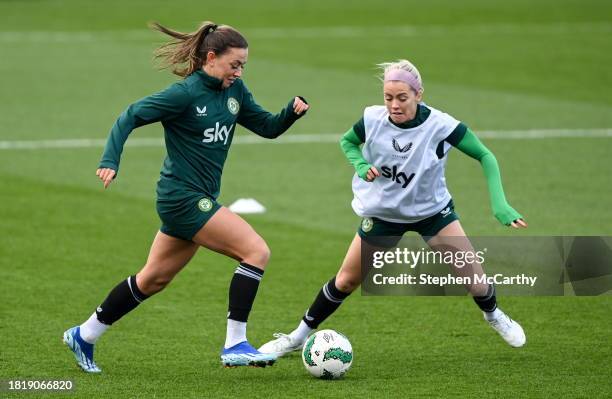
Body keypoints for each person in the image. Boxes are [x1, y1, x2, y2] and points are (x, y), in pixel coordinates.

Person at [62, 21, 309, 372]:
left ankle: (84, 335)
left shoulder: (235, 92)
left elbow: (267, 127)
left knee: (153, 279)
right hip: (182, 197)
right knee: (256, 251)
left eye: (243, 66)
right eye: (234, 64)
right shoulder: (185, 94)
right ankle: (235, 342)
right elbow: (130, 115)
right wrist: (109, 160)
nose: (239, 72)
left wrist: (291, 113)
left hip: (197, 197)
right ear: (211, 58)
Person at [259, 59, 527, 357]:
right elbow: (348, 142)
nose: (394, 105)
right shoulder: (373, 119)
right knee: (346, 280)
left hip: (433, 214)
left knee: (474, 281)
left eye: (402, 98)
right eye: (388, 98)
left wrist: (500, 204)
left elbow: (485, 156)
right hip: (384, 215)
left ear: (418, 95)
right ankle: (296, 338)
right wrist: (360, 164)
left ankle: (494, 316)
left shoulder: (441, 125)